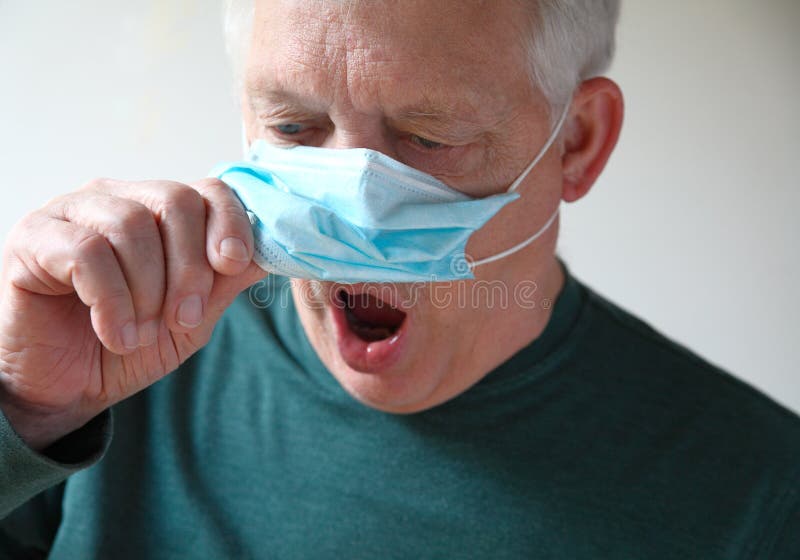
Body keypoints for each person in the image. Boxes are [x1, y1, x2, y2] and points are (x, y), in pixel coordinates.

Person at [0, 0, 798, 558]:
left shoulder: (760, 492)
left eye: (427, 136)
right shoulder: (113, 363)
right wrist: (23, 414)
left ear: (578, 144)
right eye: (292, 128)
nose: (352, 204)